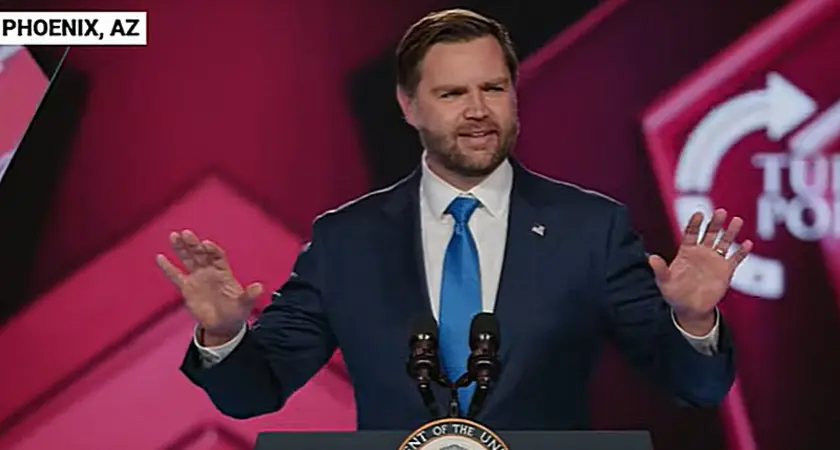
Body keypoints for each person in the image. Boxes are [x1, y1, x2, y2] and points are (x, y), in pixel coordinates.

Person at [158, 8, 752, 431]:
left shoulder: (590, 229)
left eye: (493, 88)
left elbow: (693, 388)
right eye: (451, 94)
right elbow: (252, 394)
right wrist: (223, 336)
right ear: (408, 105)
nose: (477, 111)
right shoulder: (347, 240)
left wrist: (694, 322)